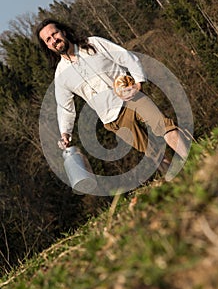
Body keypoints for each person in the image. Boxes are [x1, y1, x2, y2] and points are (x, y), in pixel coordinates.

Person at [35, 18, 188, 176]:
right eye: (48, 39)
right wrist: (65, 133)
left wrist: (138, 82)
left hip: (132, 98)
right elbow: (65, 107)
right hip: (112, 118)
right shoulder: (61, 75)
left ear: (63, 32)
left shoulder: (92, 43)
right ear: (47, 46)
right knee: (152, 154)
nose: (54, 39)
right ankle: (181, 179)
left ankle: (193, 160)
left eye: (55, 33)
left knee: (164, 126)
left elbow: (125, 57)